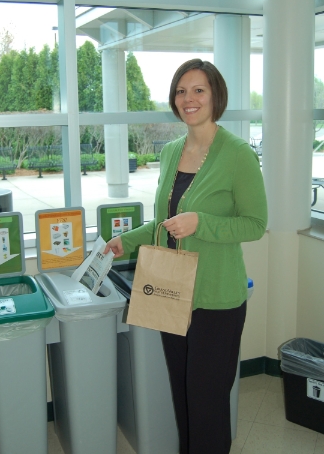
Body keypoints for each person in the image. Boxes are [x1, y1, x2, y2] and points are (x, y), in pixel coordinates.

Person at [104, 59, 267, 454]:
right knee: (183, 396)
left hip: (217, 301)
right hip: (170, 296)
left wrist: (202, 223)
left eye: (199, 90)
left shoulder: (238, 154)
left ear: (216, 97)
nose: (188, 99)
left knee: (207, 405)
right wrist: (126, 241)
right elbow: (165, 222)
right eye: (181, 90)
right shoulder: (171, 152)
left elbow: (255, 224)